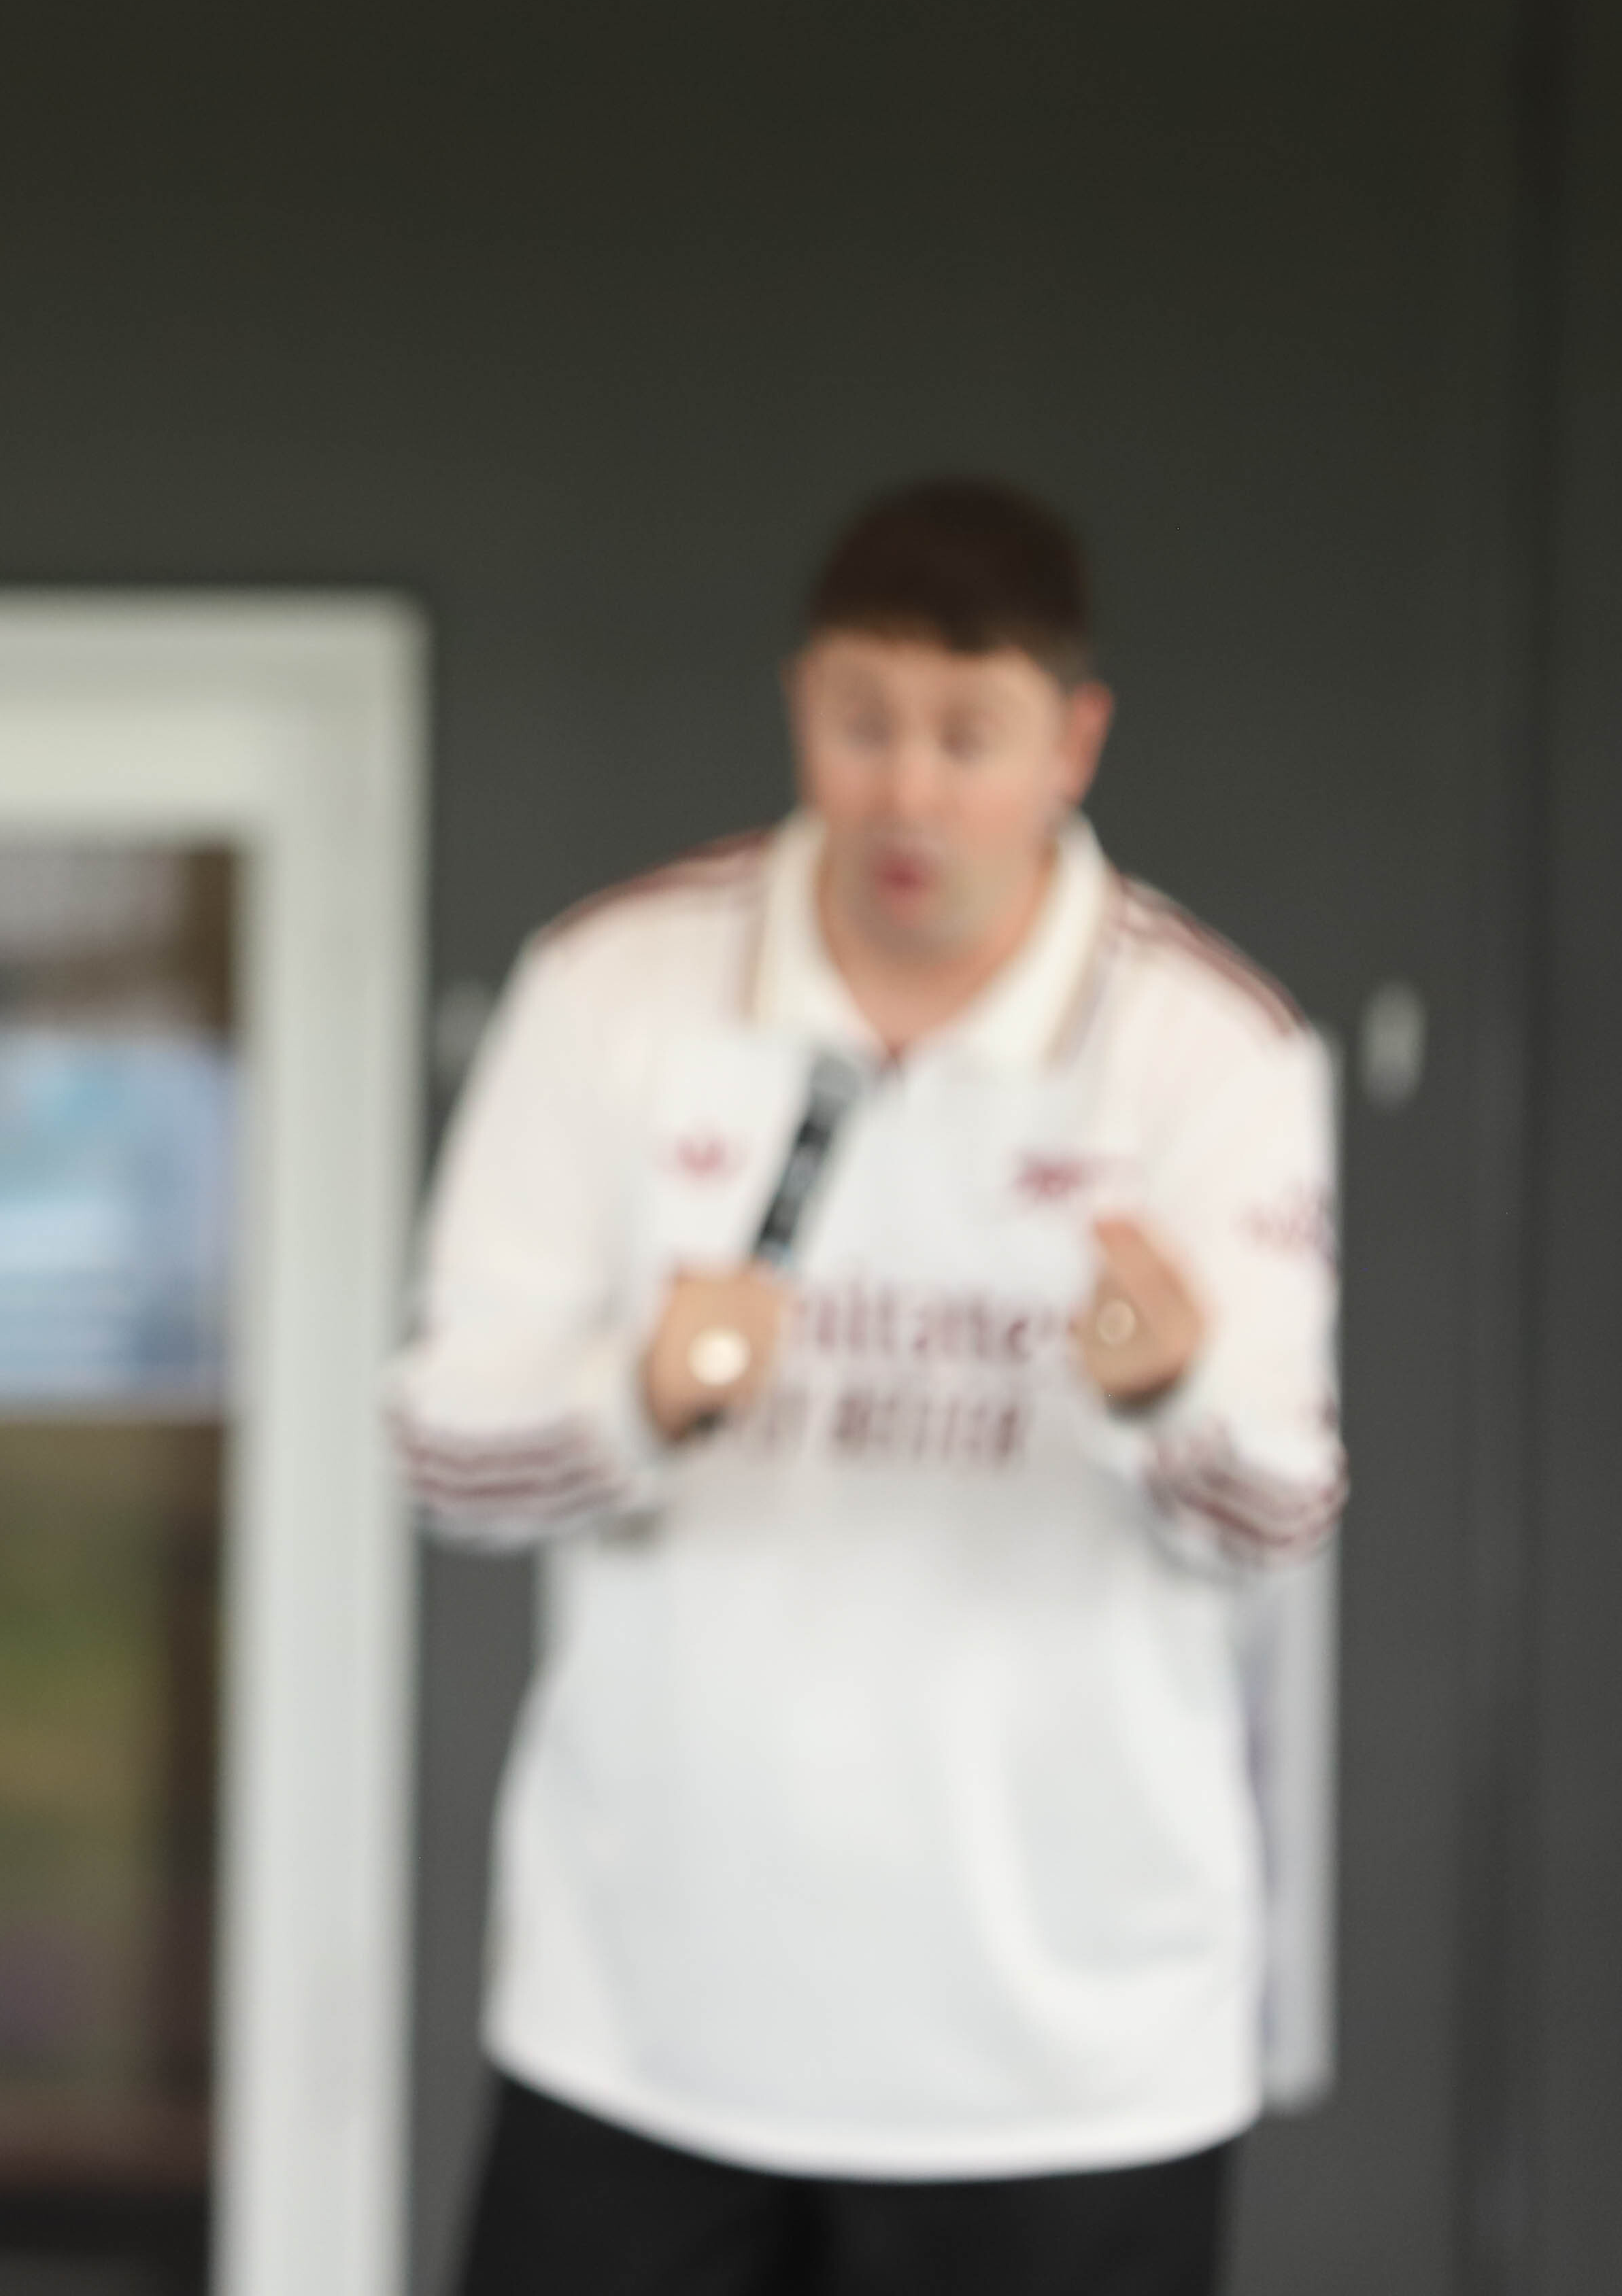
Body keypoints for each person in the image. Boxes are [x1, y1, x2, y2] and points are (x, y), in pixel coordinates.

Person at [390, 477, 1345, 2296]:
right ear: (797, 707)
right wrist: (637, 1402)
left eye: (968, 737)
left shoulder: (1212, 1046)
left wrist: (1168, 1397)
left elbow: (1278, 1513)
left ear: (1074, 742)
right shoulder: (611, 990)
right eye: (862, 723)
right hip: (646, 2030)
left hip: (1067, 2065)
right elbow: (444, 1455)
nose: (909, 792)